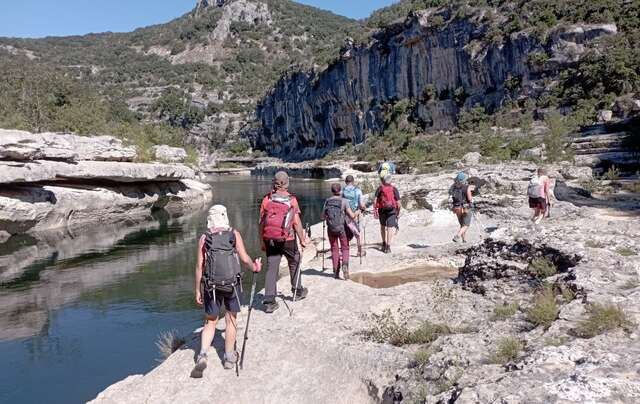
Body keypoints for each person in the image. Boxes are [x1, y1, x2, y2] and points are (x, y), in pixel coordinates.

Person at [193, 205, 262, 377]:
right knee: (231, 319)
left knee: (210, 321)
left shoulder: (205, 238)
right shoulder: (233, 234)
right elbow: (244, 257)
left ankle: (202, 355)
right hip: (232, 284)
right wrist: (255, 266)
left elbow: (199, 266)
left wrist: (198, 289)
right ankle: (229, 358)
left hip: (211, 285)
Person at [259, 171, 309, 313]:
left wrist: (262, 241)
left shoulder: (266, 200)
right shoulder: (291, 200)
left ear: (273, 183)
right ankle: (297, 291)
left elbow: (261, 224)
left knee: (271, 267)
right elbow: (296, 223)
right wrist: (302, 240)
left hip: (270, 240)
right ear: (287, 183)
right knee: (294, 261)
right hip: (288, 239)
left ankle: (269, 301)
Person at [322, 183, 357, 279]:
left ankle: (336, 271)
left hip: (331, 229)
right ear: (340, 191)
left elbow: (322, 216)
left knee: (334, 248)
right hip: (341, 229)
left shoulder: (327, 201)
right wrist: (357, 212)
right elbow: (352, 216)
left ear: (332, 191)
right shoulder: (344, 201)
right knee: (345, 248)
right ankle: (345, 265)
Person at [374, 174, 401, 253]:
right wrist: (398, 212)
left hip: (382, 210)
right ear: (390, 181)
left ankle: (383, 244)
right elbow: (399, 203)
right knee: (390, 228)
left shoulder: (379, 189)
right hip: (392, 210)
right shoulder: (394, 189)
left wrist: (375, 209)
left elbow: (374, 201)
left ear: (383, 180)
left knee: (382, 226)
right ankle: (388, 247)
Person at [342, 175, 367, 257]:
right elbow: (361, 204)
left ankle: (345, 252)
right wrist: (364, 208)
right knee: (359, 232)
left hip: (346, 215)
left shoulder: (342, 191)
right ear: (353, 182)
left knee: (346, 233)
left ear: (345, 182)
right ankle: (360, 252)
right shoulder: (358, 190)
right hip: (356, 213)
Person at [450, 171, 475, 243]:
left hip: (456, 207)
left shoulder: (454, 188)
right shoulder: (467, 187)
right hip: (466, 207)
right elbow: (470, 199)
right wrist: (471, 204)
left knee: (462, 224)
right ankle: (457, 236)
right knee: (466, 225)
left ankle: (464, 240)